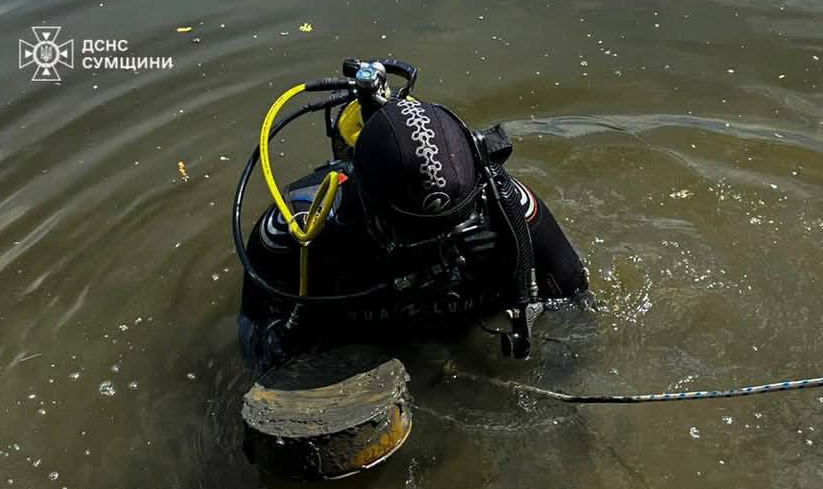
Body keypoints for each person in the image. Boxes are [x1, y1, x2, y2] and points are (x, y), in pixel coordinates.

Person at [238, 95, 590, 370]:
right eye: (418, 235)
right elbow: (258, 338)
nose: (439, 247)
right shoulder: (296, 232)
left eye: (454, 227)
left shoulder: (508, 208)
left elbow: (577, 305)